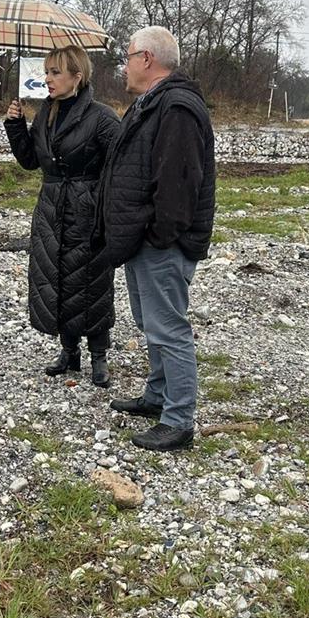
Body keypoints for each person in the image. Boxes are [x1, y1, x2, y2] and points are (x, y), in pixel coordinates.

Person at [96, 26, 215, 451]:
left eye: (128, 56)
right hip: (142, 240)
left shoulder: (177, 107)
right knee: (152, 325)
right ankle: (157, 395)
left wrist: (159, 237)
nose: (124, 65)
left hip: (161, 243)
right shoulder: (150, 105)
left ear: (146, 59)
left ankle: (179, 420)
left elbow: (179, 184)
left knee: (169, 329)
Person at [4, 44, 119, 388]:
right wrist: (15, 126)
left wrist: (106, 208)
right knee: (57, 279)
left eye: (55, 72)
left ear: (77, 77)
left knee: (93, 283)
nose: (48, 79)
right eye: (47, 72)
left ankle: (99, 356)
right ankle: (69, 351)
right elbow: (30, 162)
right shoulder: (46, 113)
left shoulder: (101, 116)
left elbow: (120, 165)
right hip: (52, 207)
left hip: (87, 209)